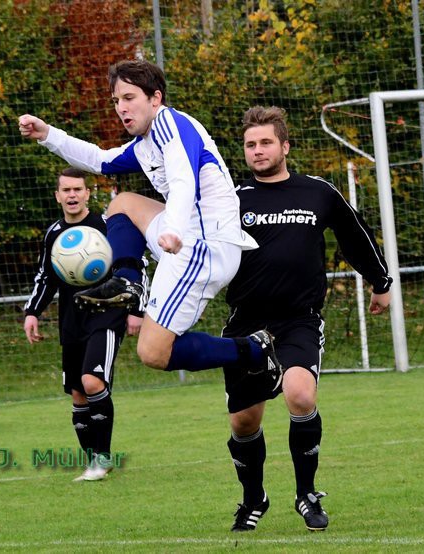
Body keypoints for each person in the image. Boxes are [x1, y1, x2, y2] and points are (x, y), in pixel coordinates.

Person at [18, 59, 282, 386]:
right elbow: (100, 160)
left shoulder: (169, 123)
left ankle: (255, 351)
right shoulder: (146, 142)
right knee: (122, 204)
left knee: (153, 352)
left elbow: (185, 180)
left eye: (129, 98)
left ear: (155, 99)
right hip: (186, 235)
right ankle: (129, 281)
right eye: (116, 101)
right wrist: (48, 135)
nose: (121, 108)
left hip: (204, 245)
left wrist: (172, 229)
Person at [223, 106, 392, 532]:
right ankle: (253, 498)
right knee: (245, 422)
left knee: (300, 395)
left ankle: (306, 494)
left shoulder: (317, 192)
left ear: (284, 146)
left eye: (265, 142)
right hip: (246, 324)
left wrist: (380, 281)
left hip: (298, 319)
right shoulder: (230, 199)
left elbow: (356, 235)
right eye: (250, 144)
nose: (257, 151)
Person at [23, 167, 144, 481]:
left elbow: (135, 264)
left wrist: (137, 309)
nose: (72, 195)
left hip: (107, 313)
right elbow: (46, 276)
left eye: (78, 189)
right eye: (66, 190)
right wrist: (32, 311)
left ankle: (102, 461)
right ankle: (92, 462)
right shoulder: (54, 233)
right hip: (72, 318)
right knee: (78, 393)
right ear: (58, 195)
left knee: (93, 381)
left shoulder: (106, 226)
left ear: (88, 193)